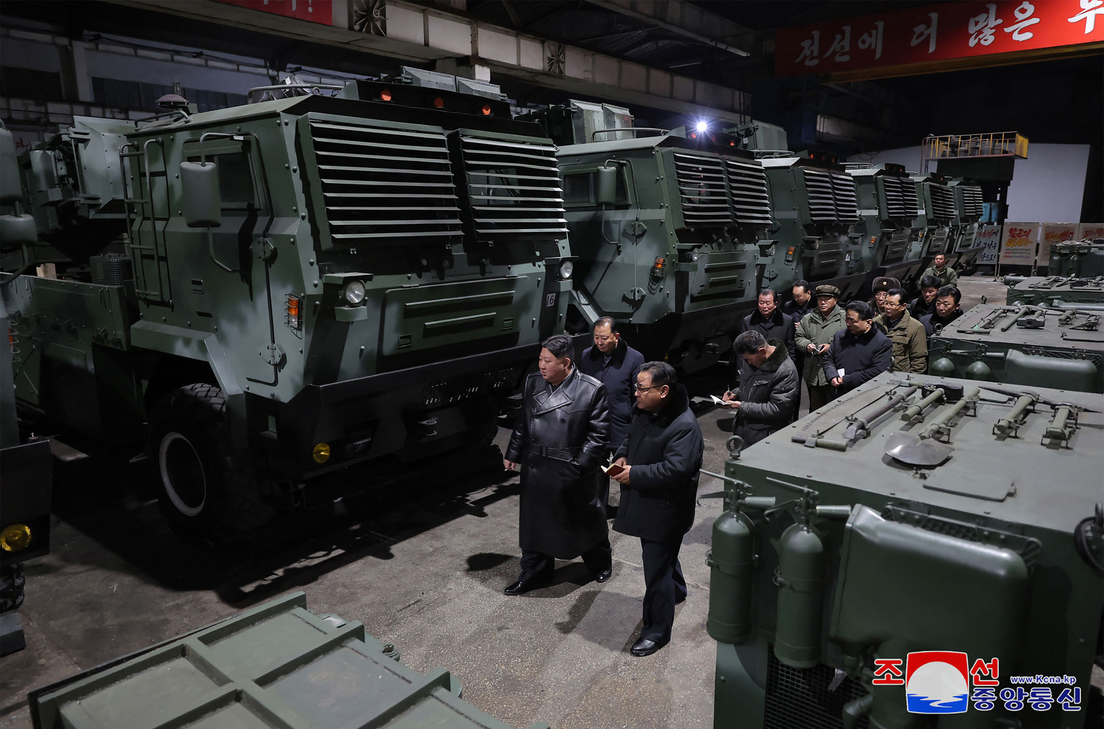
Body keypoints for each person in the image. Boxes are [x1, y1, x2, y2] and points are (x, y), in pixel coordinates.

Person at [503, 334, 612, 595]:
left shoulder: (591, 389)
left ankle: (599, 563)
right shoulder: (532, 382)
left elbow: (599, 435)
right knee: (534, 525)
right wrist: (513, 453)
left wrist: (579, 466)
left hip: (570, 469)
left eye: (547, 361)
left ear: (565, 363)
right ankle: (534, 572)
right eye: (540, 359)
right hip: (537, 466)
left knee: (582, 521)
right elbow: (524, 422)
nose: (541, 366)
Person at [609, 362, 703, 657]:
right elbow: (632, 436)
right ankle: (678, 590)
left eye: (642, 388)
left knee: (656, 572)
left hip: (665, 511)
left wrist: (634, 474)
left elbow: (676, 470)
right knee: (663, 559)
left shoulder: (684, 426)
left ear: (663, 391)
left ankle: (657, 631)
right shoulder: (648, 410)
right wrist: (623, 454)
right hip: (649, 504)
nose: (635, 393)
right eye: (636, 386)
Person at [577, 317, 645, 513]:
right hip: (595, 427)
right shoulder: (587, 356)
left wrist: (635, 427)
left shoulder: (634, 359)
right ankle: (599, 511)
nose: (599, 342)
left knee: (623, 472)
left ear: (616, 337)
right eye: (596, 337)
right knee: (597, 474)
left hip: (621, 427)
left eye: (604, 338)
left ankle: (629, 511)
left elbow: (637, 397)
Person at [721, 331, 798, 446]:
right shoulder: (753, 360)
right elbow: (753, 385)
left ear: (762, 351)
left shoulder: (785, 371)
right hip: (743, 432)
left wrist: (741, 406)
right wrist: (735, 393)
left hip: (765, 438)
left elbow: (776, 408)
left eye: (749, 359)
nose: (748, 362)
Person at [794, 284, 846, 413]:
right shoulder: (808, 318)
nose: (823, 302)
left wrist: (831, 347)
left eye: (827, 299)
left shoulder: (844, 318)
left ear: (835, 300)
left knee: (835, 411)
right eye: (820, 299)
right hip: (814, 374)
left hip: (836, 374)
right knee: (815, 412)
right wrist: (807, 345)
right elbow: (799, 337)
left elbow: (851, 342)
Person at [824, 301, 893, 395]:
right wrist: (832, 376)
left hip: (865, 394)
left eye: (853, 321)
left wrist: (847, 380)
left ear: (868, 322)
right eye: (847, 319)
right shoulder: (839, 336)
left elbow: (877, 371)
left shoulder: (882, 343)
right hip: (838, 392)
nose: (848, 324)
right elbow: (828, 359)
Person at [737, 288, 796, 373]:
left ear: (775, 304)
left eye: (768, 303)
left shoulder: (787, 321)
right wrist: (741, 371)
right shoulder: (748, 321)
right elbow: (741, 348)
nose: (764, 306)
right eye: (761, 303)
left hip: (778, 370)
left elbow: (791, 349)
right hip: (754, 370)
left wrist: (789, 369)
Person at [781, 280, 814, 419]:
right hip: (795, 352)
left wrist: (805, 327)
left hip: (811, 353)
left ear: (808, 294)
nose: (796, 299)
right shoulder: (789, 307)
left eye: (799, 296)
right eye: (794, 295)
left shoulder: (816, 307)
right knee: (794, 388)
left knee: (813, 391)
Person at [875, 288, 928, 374]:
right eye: (886, 303)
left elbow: (918, 360)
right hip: (877, 374)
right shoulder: (876, 323)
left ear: (903, 306)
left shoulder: (915, 327)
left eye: (892, 304)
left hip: (899, 376)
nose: (887, 307)